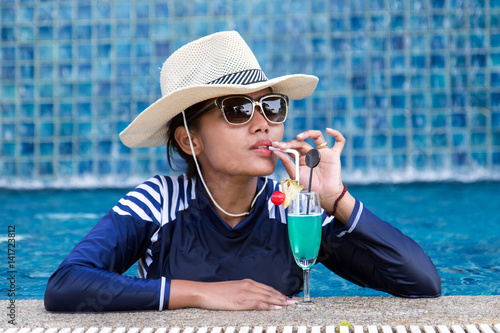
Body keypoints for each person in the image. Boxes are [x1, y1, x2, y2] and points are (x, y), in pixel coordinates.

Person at [44, 31, 441, 312]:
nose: (262, 123)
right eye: (237, 109)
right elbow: (66, 285)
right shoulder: (161, 201)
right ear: (189, 141)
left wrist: (335, 200)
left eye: (271, 106)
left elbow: (422, 284)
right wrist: (200, 294)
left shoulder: (292, 209)